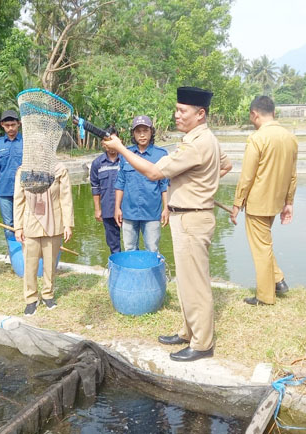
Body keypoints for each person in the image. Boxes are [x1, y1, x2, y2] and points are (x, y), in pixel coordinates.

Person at [103, 86, 232, 362]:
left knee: (195, 283)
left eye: (182, 111)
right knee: (186, 281)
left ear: (200, 114)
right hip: (188, 214)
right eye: (176, 109)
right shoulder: (206, 139)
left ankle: (202, 343)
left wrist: (120, 148)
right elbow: (226, 165)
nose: (176, 115)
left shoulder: (197, 144)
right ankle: (189, 331)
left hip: (192, 216)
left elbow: (152, 172)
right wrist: (199, 182)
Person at [229, 95, 297, 306]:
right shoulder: (290, 138)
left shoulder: (257, 138)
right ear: (274, 113)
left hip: (258, 203)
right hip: (276, 202)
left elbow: (247, 176)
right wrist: (289, 202)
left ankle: (265, 296)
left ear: (254, 114)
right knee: (264, 244)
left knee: (260, 248)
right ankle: (278, 280)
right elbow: (293, 175)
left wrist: (237, 203)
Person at [13, 162, 74, 316]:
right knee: (30, 263)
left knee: (50, 262)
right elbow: (19, 200)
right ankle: (31, 298)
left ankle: (48, 294)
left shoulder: (60, 169)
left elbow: (65, 198)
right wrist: (18, 227)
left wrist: (68, 224)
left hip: (54, 221)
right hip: (30, 222)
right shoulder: (23, 170)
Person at [114, 116, 169, 252]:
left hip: (152, 212)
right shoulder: (126, 154)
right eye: (138, 131)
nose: (142, 135)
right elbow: (120, 182)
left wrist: (166, 208)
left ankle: (152, 274)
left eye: (145, 130)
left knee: (152, 249)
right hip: (129, 212)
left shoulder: (161, 155)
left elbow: (164, 185)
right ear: (133, 133)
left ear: (152, 132)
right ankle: (133, 274)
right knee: (129, 248)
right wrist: (117, 208)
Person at [0, 110, 23, 240]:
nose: (10, 128)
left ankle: (27, 255)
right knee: (9, 225)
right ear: (2, 125)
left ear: (19, 124)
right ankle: (14, 255)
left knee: (25, 224)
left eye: (13, 124)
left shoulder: (26, 142)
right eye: (7, 125)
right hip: (5, 191)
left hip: (25, 191)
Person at [90, 142, 122, 253]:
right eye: (108, 142)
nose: (112, 145)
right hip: (108, 208)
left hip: (127, 209)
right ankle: (116, 268)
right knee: (113, 244)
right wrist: (97, 209)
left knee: (130, 242)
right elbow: (95, 187)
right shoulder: (97, 163)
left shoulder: (126, 160)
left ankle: (129, 267)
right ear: (103, 144)